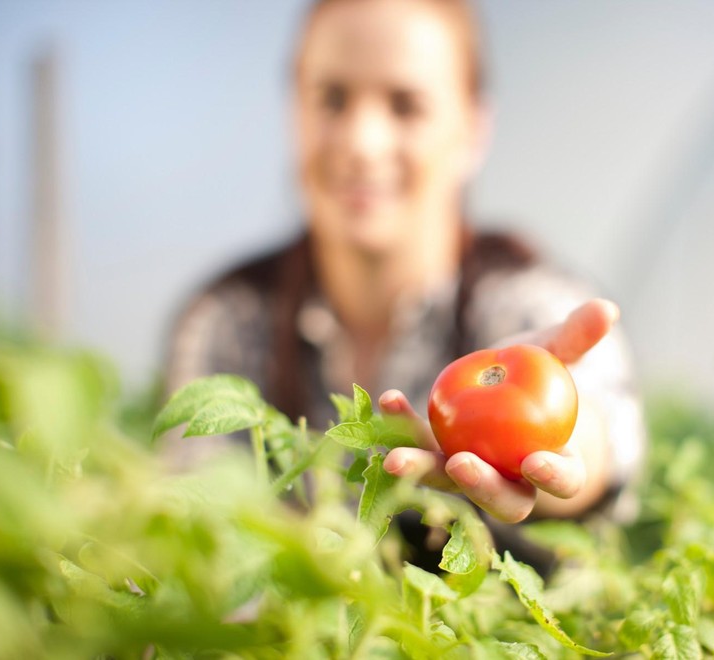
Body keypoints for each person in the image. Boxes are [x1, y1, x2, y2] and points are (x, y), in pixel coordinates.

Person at [164, 0, 645, 570]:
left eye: (406, 105)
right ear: (294, 113)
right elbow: (189, 529)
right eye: (332, 99)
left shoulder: (528, 301)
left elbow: (599, 435)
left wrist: (555, 444)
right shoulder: (229, 322)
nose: (362, 142)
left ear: (471, 130)